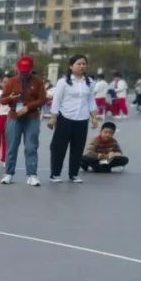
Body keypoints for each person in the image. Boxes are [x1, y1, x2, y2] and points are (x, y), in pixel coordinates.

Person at [48, 54, 99, 184]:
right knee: (59, 147)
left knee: (78, 147)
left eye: (84, 64)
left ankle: (74, 174)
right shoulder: (63, 82)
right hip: (65, 118)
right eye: (79, 64)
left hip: (82, 119)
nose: (82, 66)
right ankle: (55, 174)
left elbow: (91, 101)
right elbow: (56, 101)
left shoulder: (89, 82)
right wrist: (53, 118)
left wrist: (94, 117)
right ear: (71, 66)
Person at [0, 55, 47, 186]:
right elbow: (2, 100)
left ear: (32, 68)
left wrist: (28, 107)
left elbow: (43, 99)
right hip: (14, 117)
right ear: (17, 68)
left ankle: (32, 175)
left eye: (26, 70)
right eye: (21, 69)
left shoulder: (38, 81)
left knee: (31, 146)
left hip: (32, 117)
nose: (24, 72)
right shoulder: (11, 81)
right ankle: (8, 173)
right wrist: (10, 97)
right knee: (12, 146)